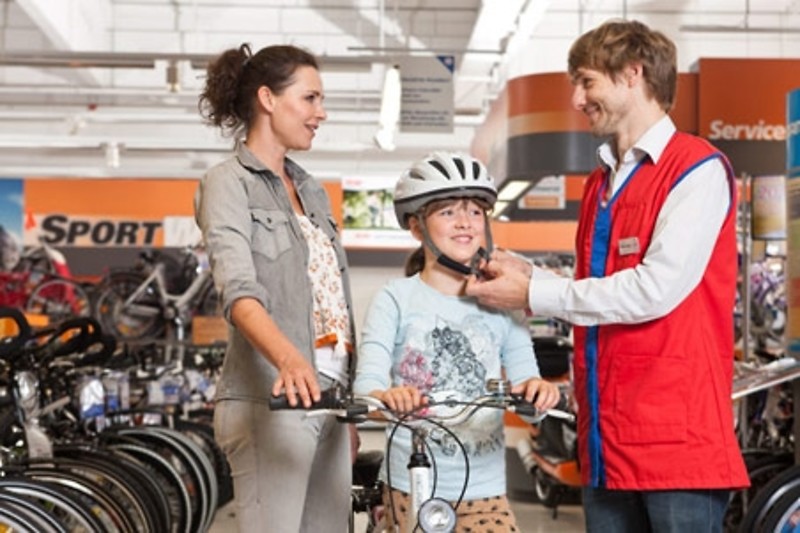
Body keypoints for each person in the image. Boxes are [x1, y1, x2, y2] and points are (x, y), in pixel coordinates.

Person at [465, 19, 749, 533]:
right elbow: (599, 285)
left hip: (676, 443)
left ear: (632, 74)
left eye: (586, 81)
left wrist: (534, 291)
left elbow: (654, 290)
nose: (577, 99)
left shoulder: (697, 169)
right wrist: (528, 272)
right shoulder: (602, 183)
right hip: (607, 439)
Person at [194, 43, 357, 532]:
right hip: (271, 398)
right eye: (310, 98)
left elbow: (333, 302)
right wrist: (289, 359)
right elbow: (238, 290)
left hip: (330, 396)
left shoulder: (311, 189)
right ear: (267, 98)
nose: (320, 113)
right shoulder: (228, 183)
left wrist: (346, 408)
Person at [354, 151, 560, 532]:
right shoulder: (394, 299)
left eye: (475, 211)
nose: (465, 222)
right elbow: (366, 387)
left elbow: (528, 391)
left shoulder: (504, 303)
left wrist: (538, 393)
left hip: (484, 491)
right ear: (417, 227)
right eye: (448, 211)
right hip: (409, 484)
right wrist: (386, 397)